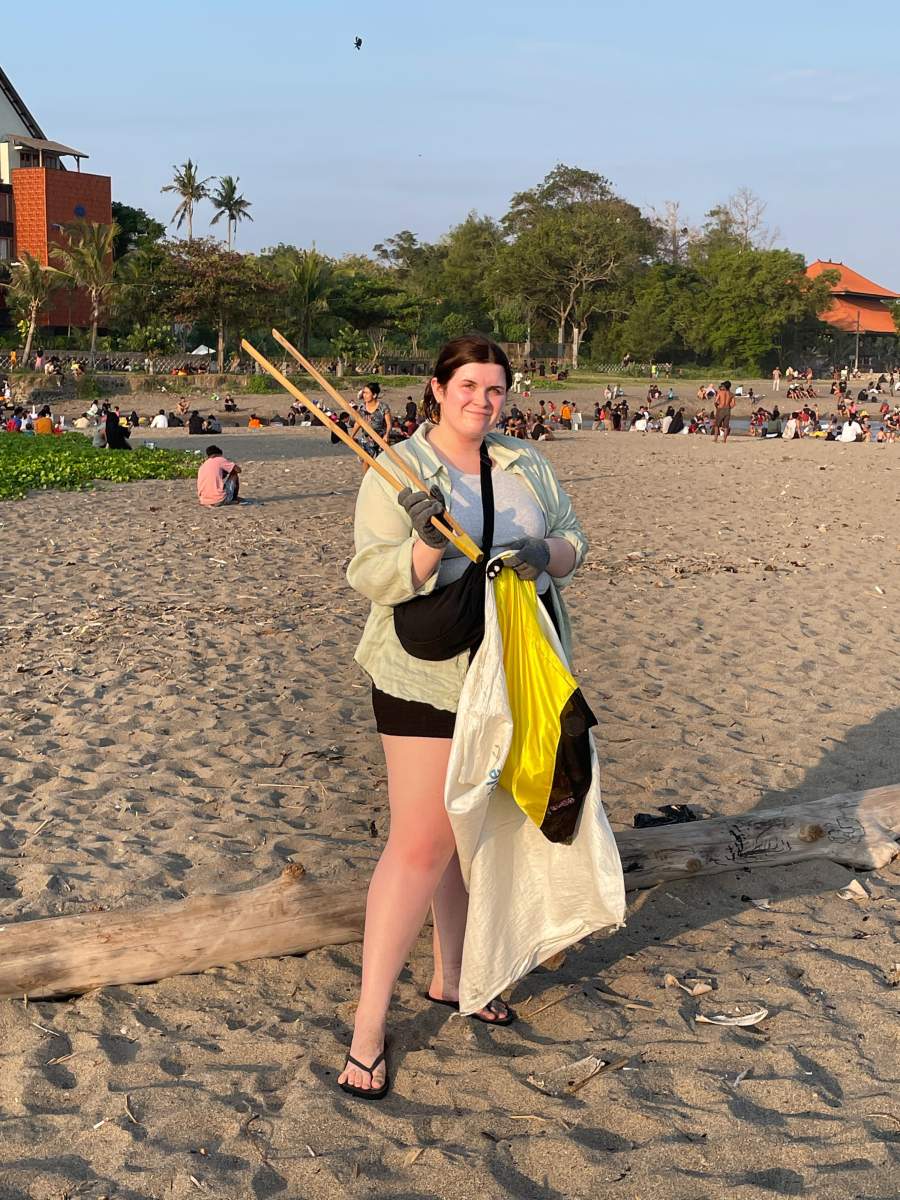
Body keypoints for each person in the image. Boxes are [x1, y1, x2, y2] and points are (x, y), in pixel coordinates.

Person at [340, 334, 587, 1099]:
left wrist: (537, 553)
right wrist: (422, 544)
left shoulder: (527, 465)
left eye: (496, 389)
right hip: (423, 674)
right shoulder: (401, 468)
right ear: (438, 389)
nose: (483, 401)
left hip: (509, 669)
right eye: (469, 386)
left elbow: (576, 541)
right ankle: (368, 1030)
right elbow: (369, 574)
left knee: (470, 823)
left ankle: (453, 978)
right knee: (420, 844)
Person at [349, 382, 392, 472]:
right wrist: (352, 435)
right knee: (366, 460)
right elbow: (358, 422)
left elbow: (389, 424)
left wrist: (387, 435)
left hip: (380, 438)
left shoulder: (383, 407)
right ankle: (366, 479)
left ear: (374, 395)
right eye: (364, 392)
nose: (364, 395)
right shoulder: (362, 407)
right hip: (366, 438)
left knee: (380, 462)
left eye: (367, 393)